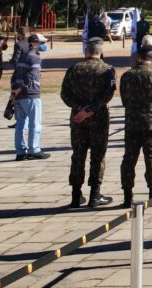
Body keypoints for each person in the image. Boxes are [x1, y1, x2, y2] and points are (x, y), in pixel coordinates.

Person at [61, 37, 116, 208]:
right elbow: (108, 95)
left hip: (78, 119)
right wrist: (90, 110)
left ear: (86, 50)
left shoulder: (74, 69)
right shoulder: (107, 69)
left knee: (78, 155)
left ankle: (76, 194)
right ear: (101, 51)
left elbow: (65, 94)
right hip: (98, 118)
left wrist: (80, 110)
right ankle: (95, 193)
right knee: (98, 155)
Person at [119, 45, 152, 207]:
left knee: (129, 159)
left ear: (138, 57)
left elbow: (124, 99)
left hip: (132, 121)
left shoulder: (127, 76)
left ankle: (127, 196)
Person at [12, 33, 50, 161]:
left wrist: (15, 90)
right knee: (35, 123)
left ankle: (20, 151)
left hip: (20, 95)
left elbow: (16, 74)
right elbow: (31, 77)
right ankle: (34, 149)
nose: (42, 46)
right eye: (41, 43)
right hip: (31, 94)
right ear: (34, 43)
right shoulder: (35, 58)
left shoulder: (22, 57)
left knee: (21, 123)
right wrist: (23, 86)